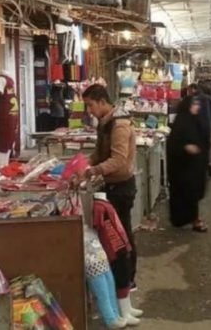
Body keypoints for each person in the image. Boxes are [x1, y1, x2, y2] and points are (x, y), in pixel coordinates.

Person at [80, 84, 140, 290]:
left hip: (122, 187)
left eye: (90, 105)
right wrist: (83, 164)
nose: (89, 110)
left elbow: (118, 160)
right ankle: (120, 277)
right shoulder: (105, 123)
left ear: (102, 102)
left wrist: (92, 171)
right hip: (111, 185)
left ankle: (127, 279)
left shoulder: (119, 125)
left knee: (121, 235)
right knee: (114, 234)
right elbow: (99, 154)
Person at [167, 97, 208, 232]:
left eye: (197, 104)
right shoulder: (181, 123)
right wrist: (185, 147)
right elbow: (173, 144)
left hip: (194, 166)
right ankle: (190, 220)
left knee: (192, 193)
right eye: (194, 104)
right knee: (186, 193)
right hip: (182, 167)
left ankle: (191, 218)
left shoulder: (195, 121)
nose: (197, 106)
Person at [187, 83, 211, 177]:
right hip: (208, 125)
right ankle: (209, 164)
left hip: (197, 126)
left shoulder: (193, 99)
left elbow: (191, 114)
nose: (189, 92)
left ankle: (201, 166)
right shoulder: (209, 98)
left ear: (194, 89)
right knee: (207, 145)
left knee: (198, 145)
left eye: (189, 90)